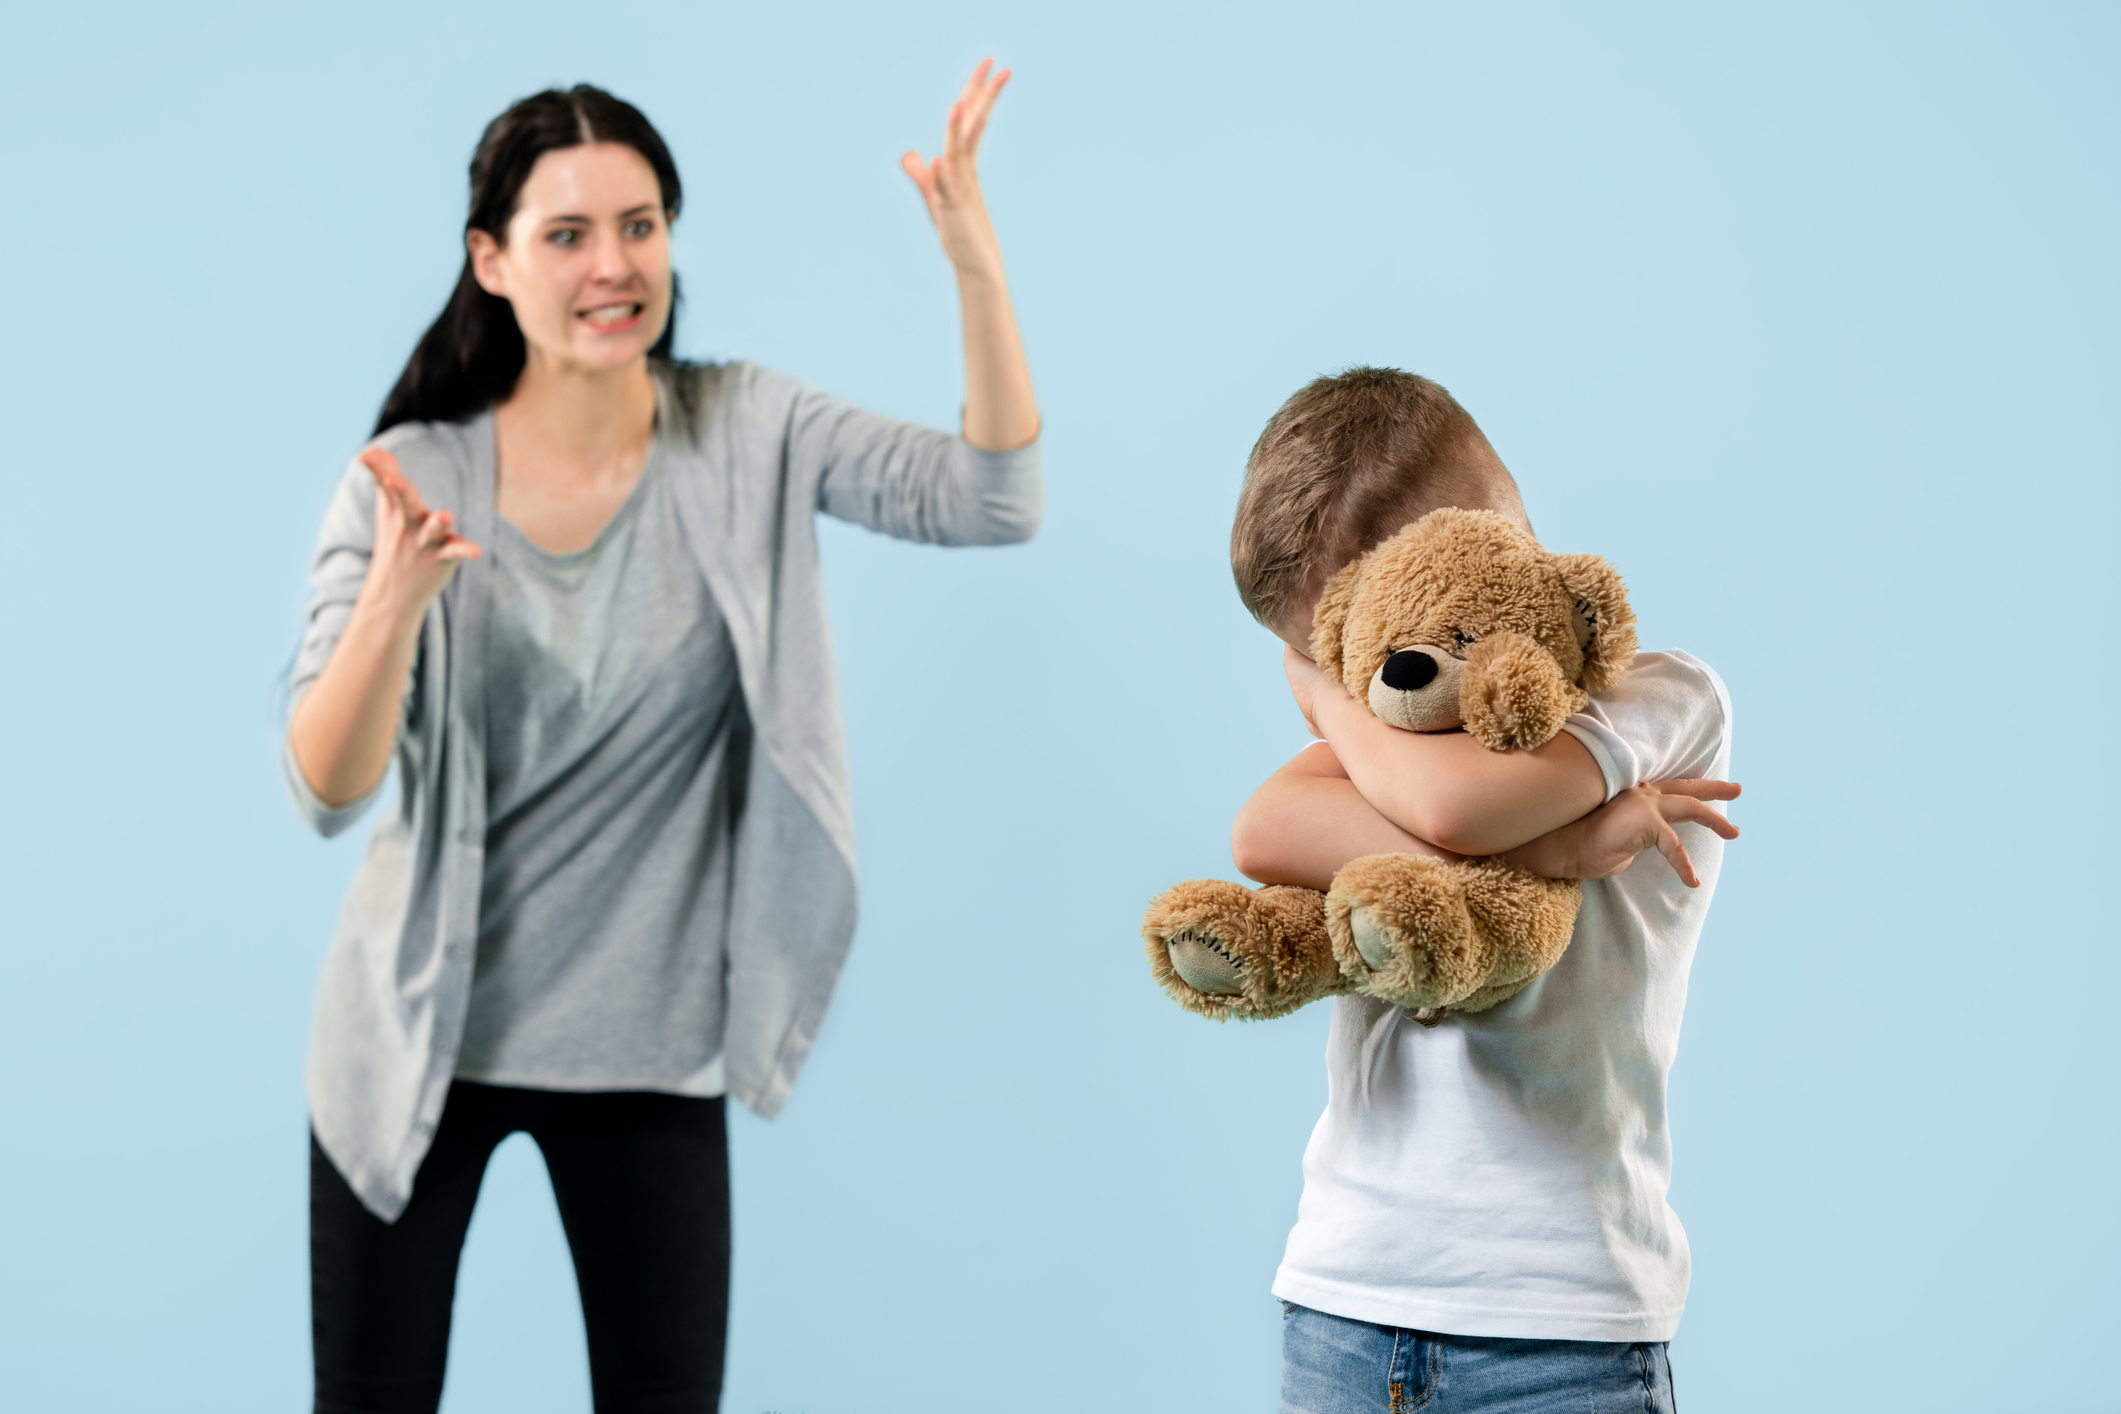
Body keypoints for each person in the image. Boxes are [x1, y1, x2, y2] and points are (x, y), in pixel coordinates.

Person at [284, 67, 1039, 1413]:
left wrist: (975, 268)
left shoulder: (746, 427)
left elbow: (992, 500)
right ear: (492, 260)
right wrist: (394, 602)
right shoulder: (407, 476)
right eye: (566, 233)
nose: (611, 264)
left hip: (648, 1044)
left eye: (639, 224)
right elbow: (326, 787)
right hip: (413, 1044)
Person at [1223, 368, 1738, 1413]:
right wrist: (1552, 851)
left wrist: (1325, 704)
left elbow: (1458, 811)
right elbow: (1264, 829)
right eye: (1331, 652)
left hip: (1561, 1330)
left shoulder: (1659, 697)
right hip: (1346, 1301)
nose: (1384, 678)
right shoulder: (1387, 738)